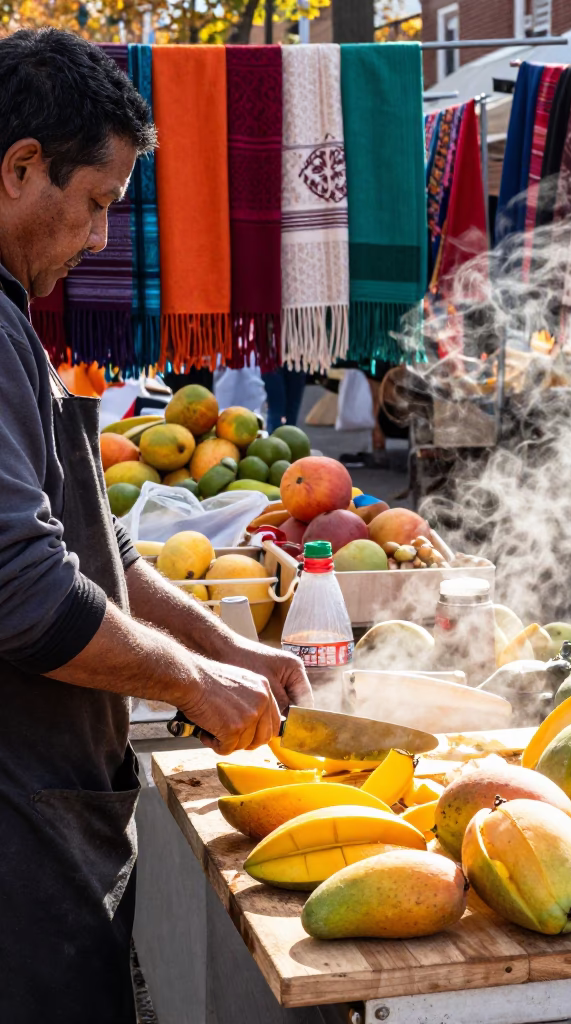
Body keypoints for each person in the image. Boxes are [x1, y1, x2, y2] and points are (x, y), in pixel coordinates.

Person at [0, 30, 312, 1023]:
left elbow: (95, 548)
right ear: (19, 168)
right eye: (94, 204)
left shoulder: (17, 322)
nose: (99, 240)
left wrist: (228, 645)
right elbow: (29, 596)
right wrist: (191, 681)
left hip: (51, 811)